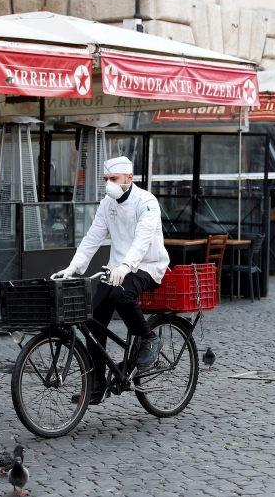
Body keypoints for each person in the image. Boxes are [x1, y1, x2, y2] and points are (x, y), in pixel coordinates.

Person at [52, 156, 169, 404]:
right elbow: (92, 237)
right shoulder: (108, 204)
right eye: (106, 179)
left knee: (120, 295)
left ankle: (149, 339)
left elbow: (143, 238)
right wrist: (73, 267)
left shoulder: (146, 201)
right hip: (117, 268)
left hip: (147, 265)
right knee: (92, 318)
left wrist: (127, 265)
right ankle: (97, 385)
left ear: (129, 178)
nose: (109, 185)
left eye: (113, 179)